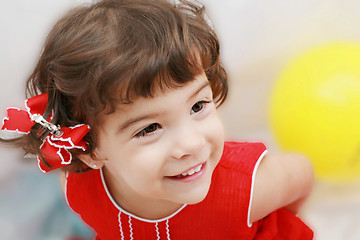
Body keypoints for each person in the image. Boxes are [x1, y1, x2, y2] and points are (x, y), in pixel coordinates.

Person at [0, 0, 314, 239]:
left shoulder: (247, 189)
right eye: (150, 128)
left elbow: (302, 176)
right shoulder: (77, 187)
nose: (191, 143)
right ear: (90, 151)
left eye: (197, 106)